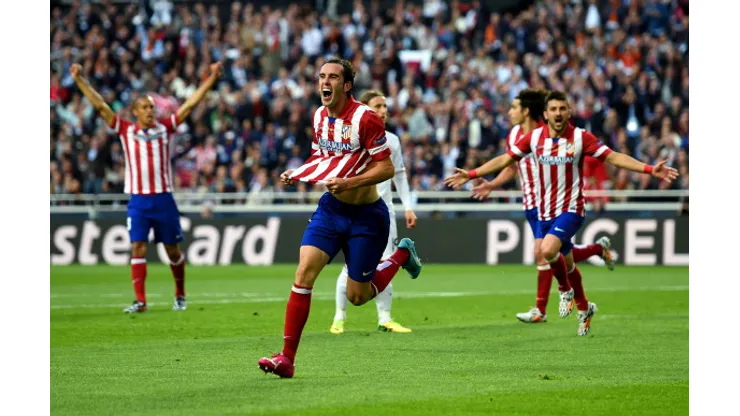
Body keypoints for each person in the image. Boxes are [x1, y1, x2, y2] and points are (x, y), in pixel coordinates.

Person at [445, 91, 678, 336]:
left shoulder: (580, 137)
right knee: (567, 263)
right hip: (543, 210)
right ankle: (585, 307)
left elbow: (614, 157)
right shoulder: (534, 138)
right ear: (545, 114)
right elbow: (506, 159)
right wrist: (471, 174)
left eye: (562, 108)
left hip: (571, 208)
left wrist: (649, 169)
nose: (558, 113)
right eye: (553, 109)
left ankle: (563, 292)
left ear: (568, 112)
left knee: (546, 251)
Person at [258, 59, 423, 378]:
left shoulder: (367, 119)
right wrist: (300, 172)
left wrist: (349, 182)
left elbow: (386, 169)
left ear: (346, 85)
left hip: (367, 217)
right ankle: (286, 358)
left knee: (358, 296)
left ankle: (401, 254)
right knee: (304, 271)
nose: (325, 81)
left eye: (333, 77)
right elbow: (321, 157)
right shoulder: (319, 116)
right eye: (321, 76)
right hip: (332, 210)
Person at [70, 62, 223, 313]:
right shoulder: (125, 130)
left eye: (152, 107)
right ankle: (140, 301)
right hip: (139, 200)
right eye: (145, 107)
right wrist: (80, 80)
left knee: (173, 251)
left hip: (164, 198)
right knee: (137, 246)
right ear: (135, 112)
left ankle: (180, 294)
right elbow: (100, 106)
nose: (151, 110)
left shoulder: (165, 128)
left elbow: (190, 105)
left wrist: (212, 78)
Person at [469, 89, 615, 324]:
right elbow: (510, 166)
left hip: (547, 201)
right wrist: (492, 185)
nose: (510, 112)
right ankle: (596, 251)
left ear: (526, 111)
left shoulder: (545, 133)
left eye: (514, 107)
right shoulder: (516, 135)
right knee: (560, 254)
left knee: (543, 252)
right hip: (529, 202)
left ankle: (541, 309)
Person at [330, 89, 418, 334]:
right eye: (378, 106)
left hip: (383, 213)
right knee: (350, 266)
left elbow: (399, 175)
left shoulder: (392, 140)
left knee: (384, 263)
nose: (383, 111)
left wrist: (408, 206)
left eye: (385, 106)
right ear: (365, 109)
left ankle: (385, 318)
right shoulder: (350, 138)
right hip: (354, 211)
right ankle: (339, 318)